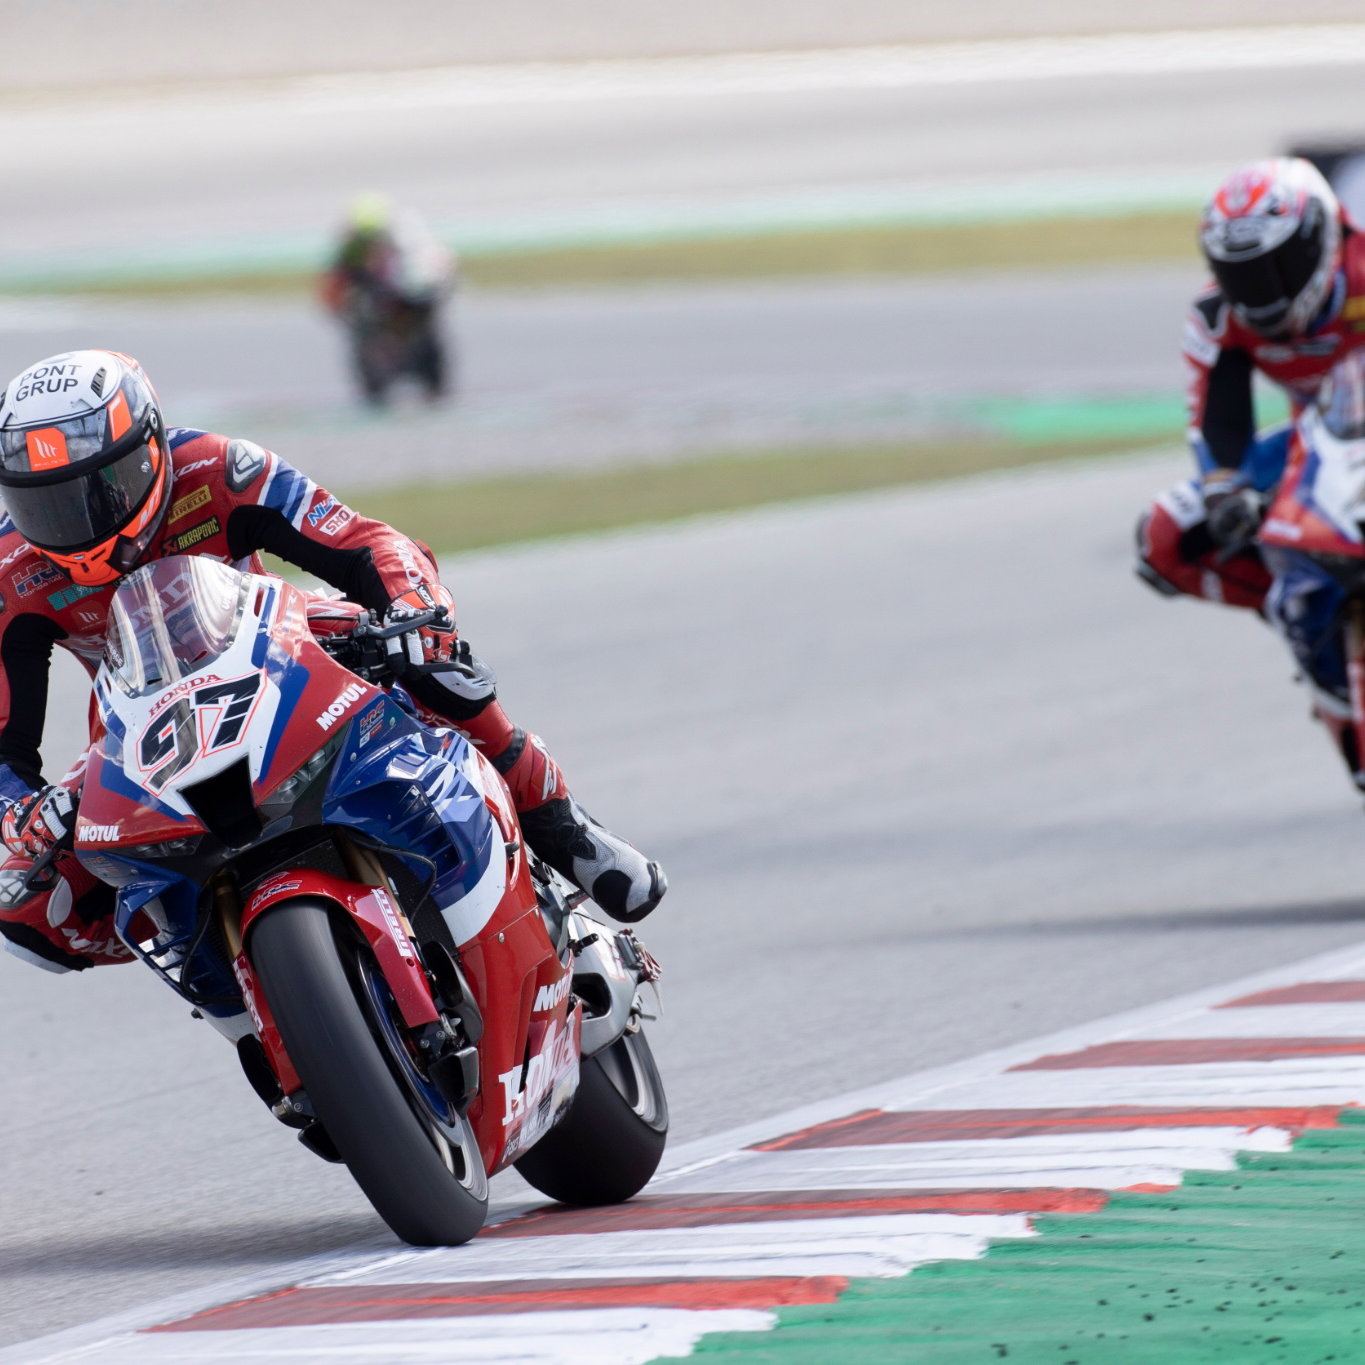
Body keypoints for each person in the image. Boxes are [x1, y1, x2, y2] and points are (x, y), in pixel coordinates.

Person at [0, 349, 664, 974]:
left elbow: (360, 539)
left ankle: (558, 823)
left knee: (423, 660)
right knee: (27, 905)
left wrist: (411, 606)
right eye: (45, 503)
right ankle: (224, 984)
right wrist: (22, 813)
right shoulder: (14, 572)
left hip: (270, 646)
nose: (76, 520)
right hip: (139, 716)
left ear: (149, 451)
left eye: (98, 489)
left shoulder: (214, 469)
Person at [1136, 157, 1365, 613]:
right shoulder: (1216, 317)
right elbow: (1219, 427)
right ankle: (1303, 611)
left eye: (1279, 266)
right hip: (1314, 451)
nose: (1261, 292)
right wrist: (1228, 496)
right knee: (1164, 539)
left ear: (1321, 240)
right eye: (1241, 275)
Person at [321, 194, 456, 403]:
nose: (371, 248)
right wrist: (340, 309)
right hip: (374, 313)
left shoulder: (411, 238)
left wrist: (430, 291)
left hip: (412, 302)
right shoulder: (349, 249)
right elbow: (333, 285)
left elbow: (440, 272)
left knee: (429, 344)